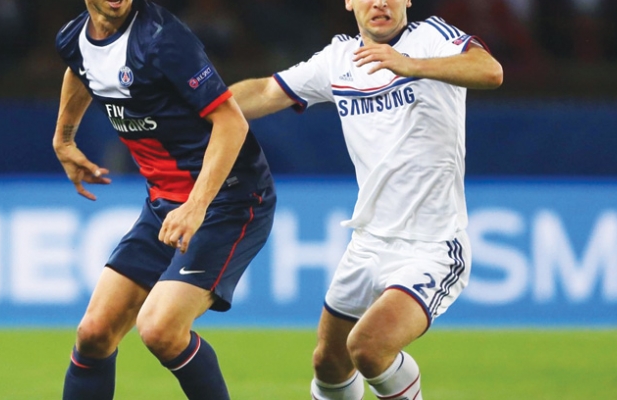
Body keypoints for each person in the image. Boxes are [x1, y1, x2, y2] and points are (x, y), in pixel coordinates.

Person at [229, 0, 503, 398]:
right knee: (329, 362)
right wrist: (200, 109)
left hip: (432, 246)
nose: (379, 2)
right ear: (349, 2)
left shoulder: (431, 38)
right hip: (368, 244)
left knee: (368, 347)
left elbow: (490, 71)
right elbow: (267, 91)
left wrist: (411, 66)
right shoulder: (339, 59)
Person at [52, 0, 276, 399]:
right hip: (165, 204)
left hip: (229, 199)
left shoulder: (162, 39)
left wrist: (196, 206)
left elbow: (231, 121)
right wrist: (64, 138)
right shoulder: (73, 38)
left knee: (161, 328)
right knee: (94, 332)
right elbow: (80, 69)